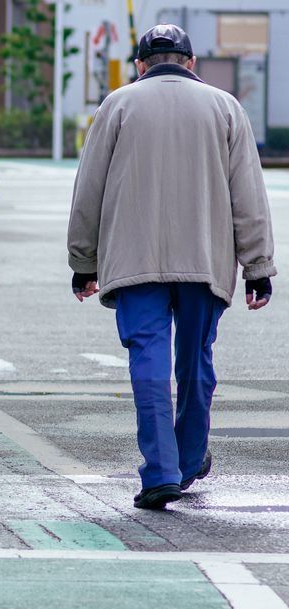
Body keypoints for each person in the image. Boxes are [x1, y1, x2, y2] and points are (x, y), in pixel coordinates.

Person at [68, 24, 277, 510]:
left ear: (141, 64)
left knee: (148, 357)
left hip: (134, 258)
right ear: (191, 62)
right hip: (205, 259)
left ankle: (160, 471)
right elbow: (248, 194)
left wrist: (84, 261)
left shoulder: (116, 105)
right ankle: (186, 462)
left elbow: (89, 192)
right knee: (196, 358)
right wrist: (258, 266)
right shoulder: (226, 107)